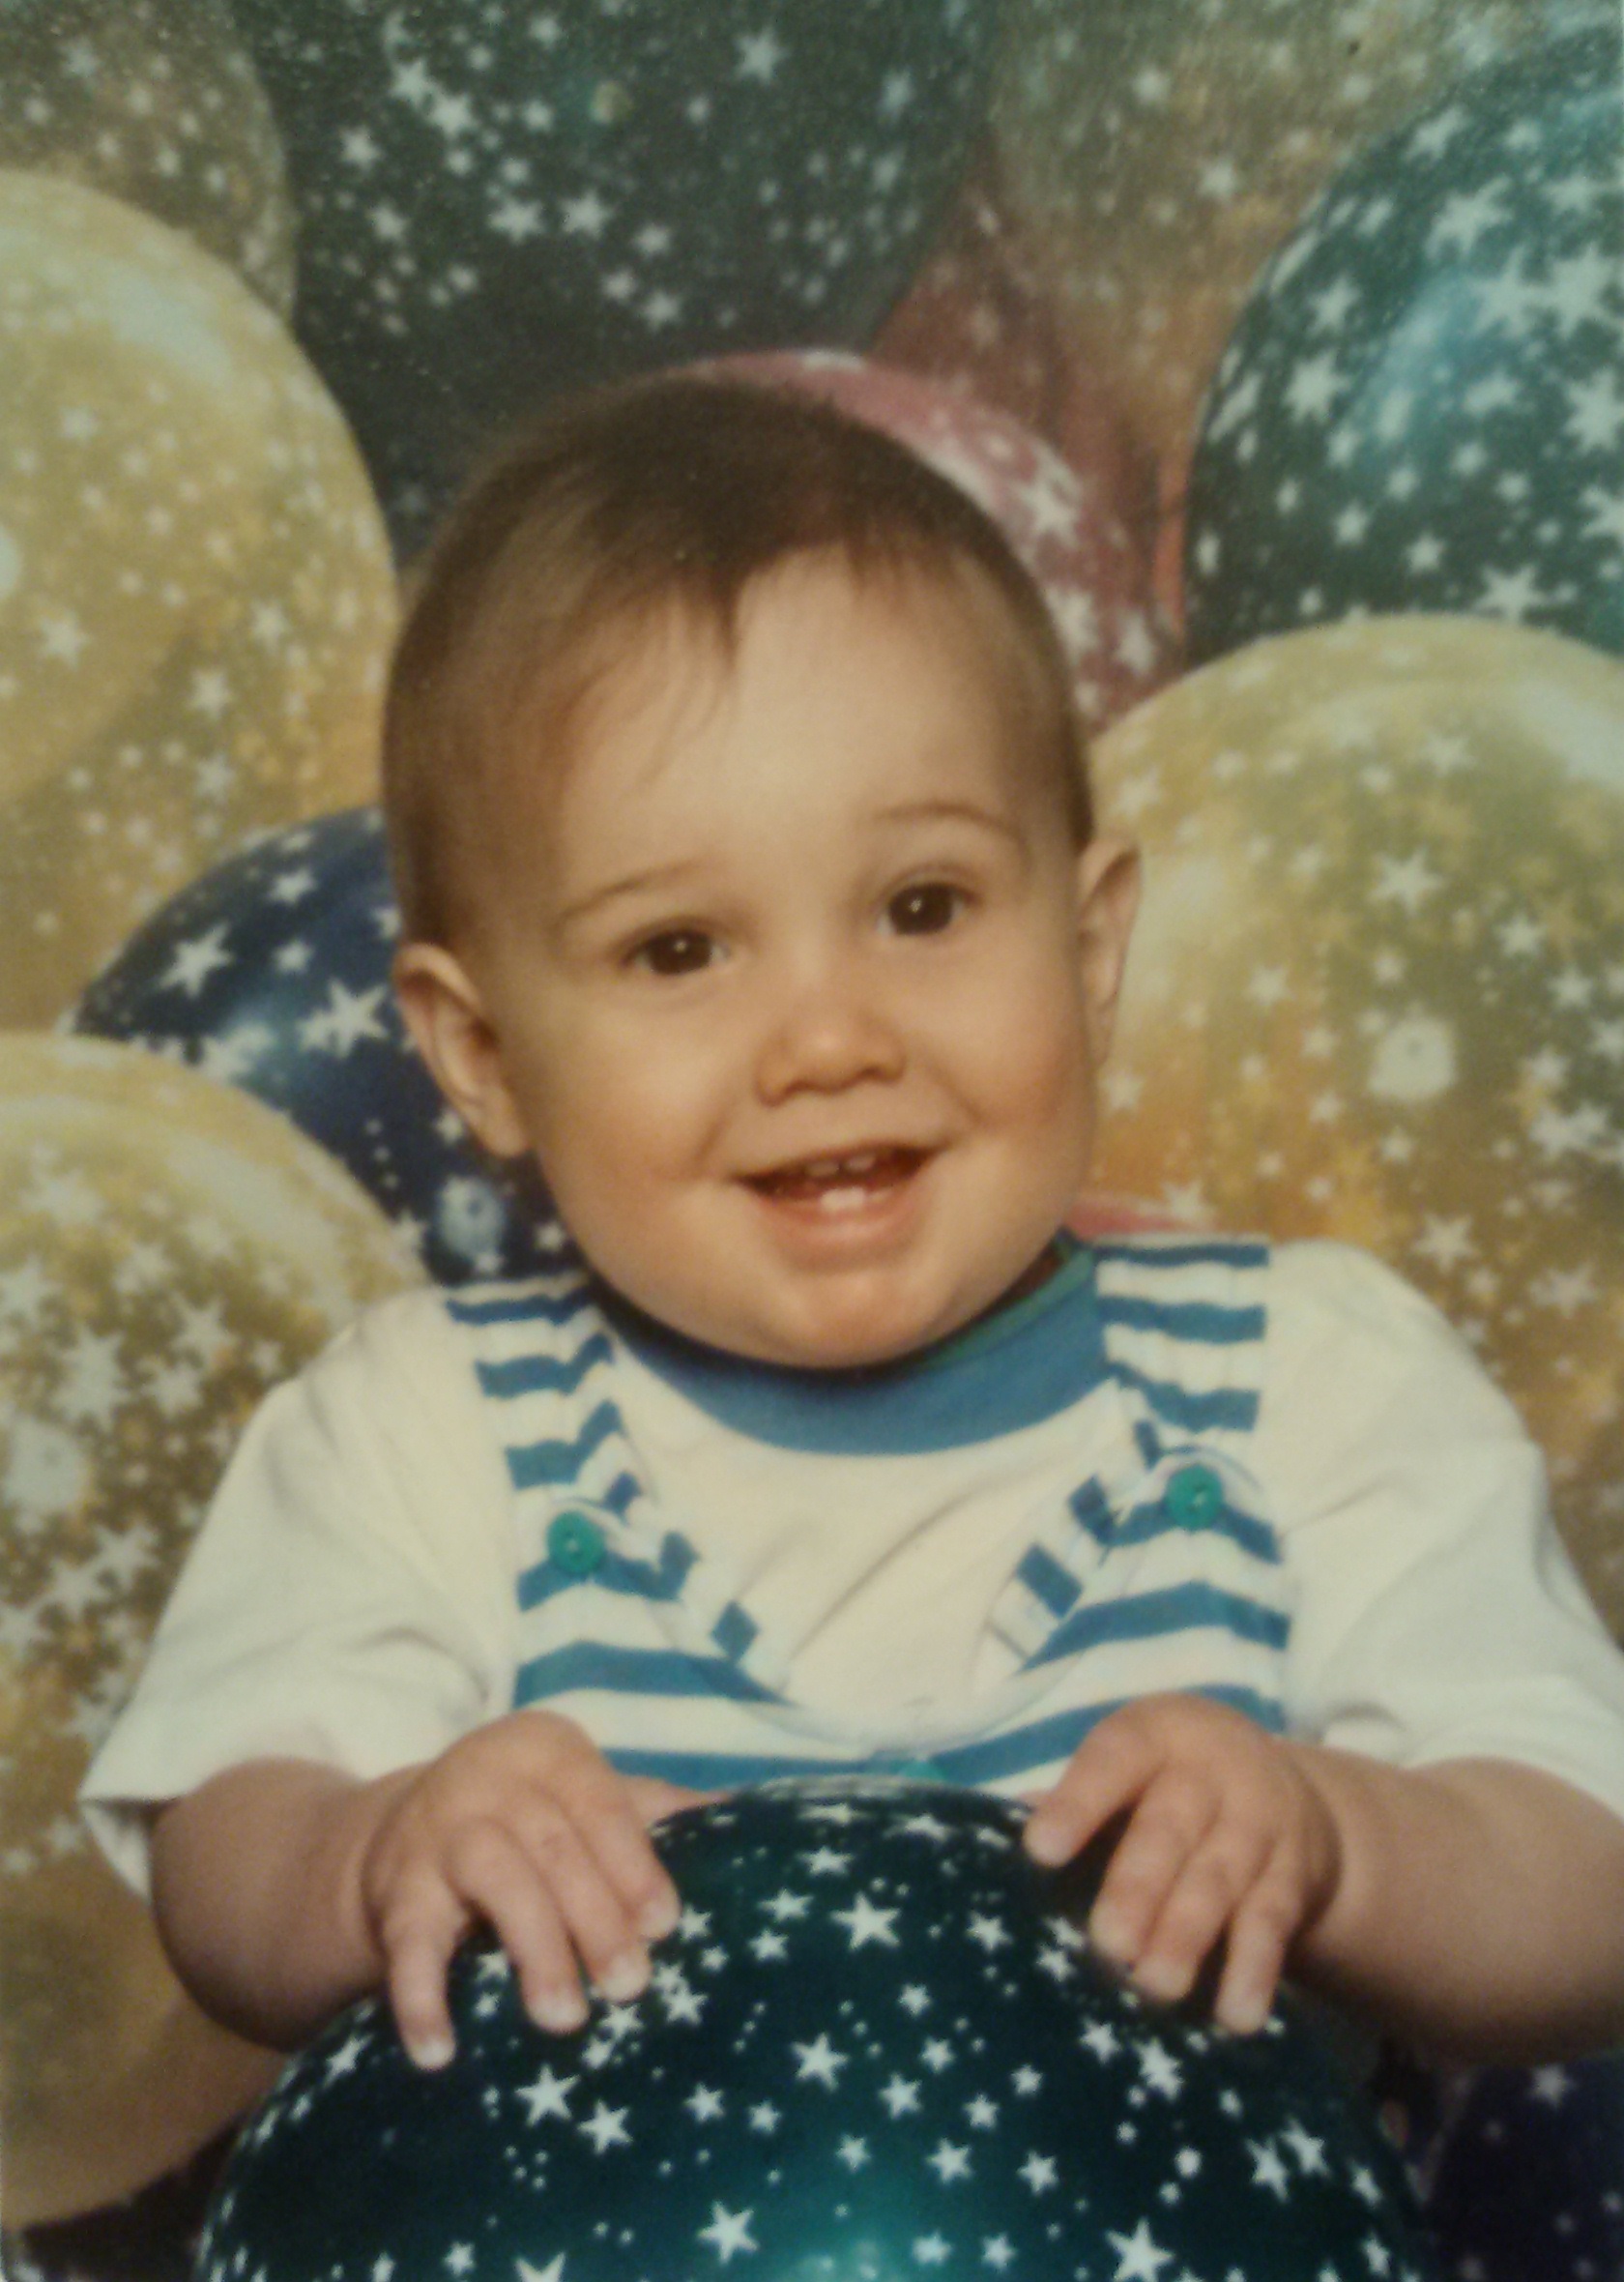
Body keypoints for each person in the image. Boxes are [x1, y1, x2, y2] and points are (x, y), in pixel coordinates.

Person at [84, 376, 1624, 2082]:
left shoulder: (1307, 1387)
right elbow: (225, 1866)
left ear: (1092, 944)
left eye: (923, 907)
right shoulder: (425, 1429)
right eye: (680, 951)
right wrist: (375, 1850)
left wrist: (1343, 1840)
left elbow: (1584, 1874)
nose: (829, 1041)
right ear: (483, 1054)